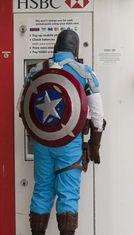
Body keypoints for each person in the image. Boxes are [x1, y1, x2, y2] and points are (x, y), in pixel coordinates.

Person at [19, 30, 105, 235]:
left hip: (42, 143)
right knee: (68, 194)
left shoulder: (36, 70)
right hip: (70, 144)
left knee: (41, 190)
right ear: (75, 49)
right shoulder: (85, 72)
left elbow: (21, 107)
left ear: (55, 48)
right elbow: (97, 114)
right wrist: (95, 144)